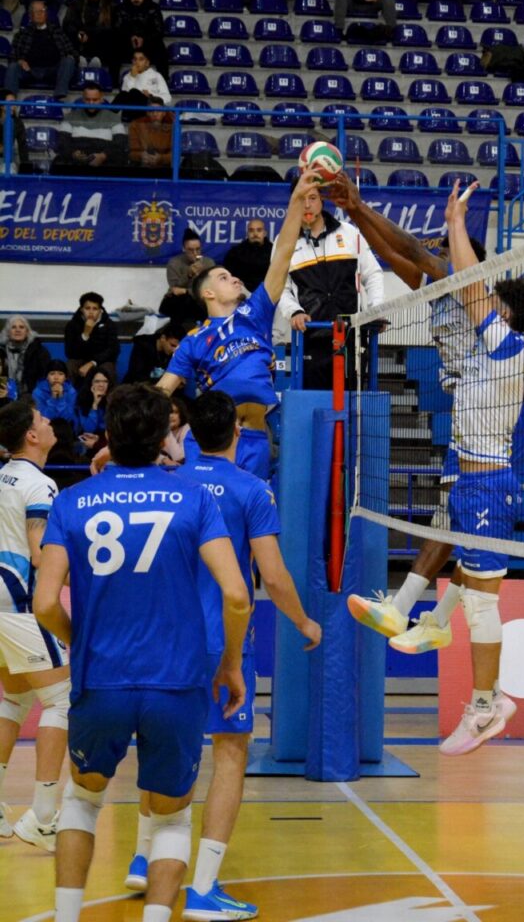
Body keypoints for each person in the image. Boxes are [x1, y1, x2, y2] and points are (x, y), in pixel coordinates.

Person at [32, 384, 251, 922]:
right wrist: (230, 663)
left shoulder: (73, 500)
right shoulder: (194, 499)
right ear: (164, 438)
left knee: (82, 801)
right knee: (173, 818)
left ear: (107, 432)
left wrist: (78, 638)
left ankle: (66, 916)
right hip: (176, 681)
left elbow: (43, 604)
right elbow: (237, 595)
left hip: (99, 677)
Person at [117, 391, 321, 917]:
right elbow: (271, 576)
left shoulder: (166, 482)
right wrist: (302, 621)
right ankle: (203, 887)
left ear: (186, 432)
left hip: (160, 637)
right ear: (237, 431)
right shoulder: (252, 489)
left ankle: (143, 859)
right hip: (219, 642)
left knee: (158, 741)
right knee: (230, 752)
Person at [385, 182, 524, 755]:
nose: (485, 303)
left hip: (488, 483)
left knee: (483, 602)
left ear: (506, 314)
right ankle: (478, 685)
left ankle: (487, 704)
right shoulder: (486, 349)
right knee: (477, 596)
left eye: (493, 302)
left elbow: (469, 283)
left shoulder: (505, 347)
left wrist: (456, 223)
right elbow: (456, 285)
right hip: (478, 480)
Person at [326, 172, 494, 659]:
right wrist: (357, 216)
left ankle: (404, 609)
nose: (436, 251)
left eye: (445, 247)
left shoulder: (468, 284)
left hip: (495, 420)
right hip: (473, 413)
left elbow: (418, 254)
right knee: (465, 528)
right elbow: (396, 256)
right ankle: (434, 620)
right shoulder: (437, 288)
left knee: (455, 520)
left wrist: (358, 208)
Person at [133, 170, 327, 481]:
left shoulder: (256, 312)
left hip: (254, 439)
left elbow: (283, 256)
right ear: (207, 293)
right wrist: (127, 444)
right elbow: (162, 392)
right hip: (210, 441)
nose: (235, 278)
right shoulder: (194, 340)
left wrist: (295, 202)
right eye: (224, 277)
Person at [0, 400, 69, 852]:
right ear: (31, 435)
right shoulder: (39, 485)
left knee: (17, 696)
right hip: (17, 599)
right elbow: (41, 552)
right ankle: (42, 819)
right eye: (42, 419)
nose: (48, 422)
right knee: (63, 697)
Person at [276, 175, 385, 389]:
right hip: (311, 339)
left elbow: (373, 274)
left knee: (351, 408)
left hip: (351, 338)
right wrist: (294, 312)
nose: (307, 205)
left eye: (313, 198)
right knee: (313, 406)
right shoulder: (283, 242)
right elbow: (280, 288)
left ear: (322, 200)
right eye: (301, 199)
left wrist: (375, 309)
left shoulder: (349, 233)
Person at [4, 0, 77, 103]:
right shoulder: (22, 33)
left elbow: (72, 52)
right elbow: (12, 56)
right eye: (36, 11)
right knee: (13, 66)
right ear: (30, 15)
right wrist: (20, 61)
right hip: (29, 70)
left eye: (42, 11)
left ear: (46, 13)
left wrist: (70, 57)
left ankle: (59, 97)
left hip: (53, 70)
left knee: (69, 61)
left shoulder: (57, 31)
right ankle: (9, 100)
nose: (39, 14)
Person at [53, 83, 127, 174]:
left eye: (95, 100)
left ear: (101, 99)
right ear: (83, 99)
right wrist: (73, 153)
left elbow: (120, 144)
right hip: (75, 164)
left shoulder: (114, 118)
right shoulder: (70, 117)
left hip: (105, 164)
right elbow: (62, 142)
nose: (91, 103)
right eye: (88, 99)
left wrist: (104, 156)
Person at [110, 0, 168, 90]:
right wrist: (130, 37)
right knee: (114, 47)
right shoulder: (121, 8)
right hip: (127, 44)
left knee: (161, 51)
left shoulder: (154, 8)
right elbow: (116, 29)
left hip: (148, 44)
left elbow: (159, 30)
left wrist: (144, 39)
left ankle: (164, 84)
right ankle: (113, 83)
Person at [159, 229, 216, 328]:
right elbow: (175, 289)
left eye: (198, 249)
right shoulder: (174, 263)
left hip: (199, 301)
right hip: (177, 302)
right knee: (182, 302)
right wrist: (188, 275)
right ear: (184, 249)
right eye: (190, 250)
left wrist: (186, 291)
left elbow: (211, 289)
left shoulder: (208, 263)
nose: (195, 253)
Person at [63, 292, 120, 386]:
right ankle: (67, 398)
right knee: (69, 366)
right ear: (81, 309)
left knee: (108, 368)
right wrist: (85, 334)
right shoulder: (72, 325)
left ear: (100, 310)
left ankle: (111, 399)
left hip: (100, 361)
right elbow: (70, 353)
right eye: (87, 308)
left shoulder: (109, 325)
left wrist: (92, 363)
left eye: (95, 309)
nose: (91, 312)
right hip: (80, 360)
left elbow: (113, 350)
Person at [62, 0, 112, 70]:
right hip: (80, 40)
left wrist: (88, 33)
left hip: (98, 41)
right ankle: (80, 60)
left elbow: (108, 28)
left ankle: (97, 61)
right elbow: (68, 24)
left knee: (107, 36)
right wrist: (79, 32)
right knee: (70, 35)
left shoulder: (107, 7)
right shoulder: (77, 3)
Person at [0, 315, 51, 397]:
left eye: (21, 327)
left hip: (30, 396)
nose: (17, 330)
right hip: (4, 396)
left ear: (27, 331)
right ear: (8, 332)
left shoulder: (39, 351)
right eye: (13, 327)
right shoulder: (1, 352)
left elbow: (45, 378)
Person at [222, 218, 273, 294]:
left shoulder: (274, 251)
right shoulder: (236, 252)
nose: (255, 234)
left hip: (269, 291)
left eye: (259, 230)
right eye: (251, 230)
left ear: (265, 233)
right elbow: (227, 274)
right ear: (247, 233)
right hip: (241, 291)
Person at [73, 367, 112, 458]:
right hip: (89, 437)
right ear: (90, 383)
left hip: (106, 440)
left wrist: (99, 439)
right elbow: (88, 429)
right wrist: (95, 404)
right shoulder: (82, 400)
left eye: (105, 381)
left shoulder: (114, 400)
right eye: (97, 381)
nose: (101, 385)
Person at [128, 97, 174, 173]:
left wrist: (161, 158)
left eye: (158, 111)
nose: (155, 114)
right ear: (147, 113)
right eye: (151, 111)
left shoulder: (173, 126)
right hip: (140, 169)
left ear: (164, 113)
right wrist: (141, 156)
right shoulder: (135, 125)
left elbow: (175, 155)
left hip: (165, 170)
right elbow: (131, 153)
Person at [32, 361, 78, 425]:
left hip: (66, 427)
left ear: (65, 377)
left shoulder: (71, 391)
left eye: (60, 374)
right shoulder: (38, 392)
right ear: (47, 377)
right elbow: (43, 418)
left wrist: (61, 398)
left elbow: (68, 418)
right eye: (52, 373)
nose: (56, 377)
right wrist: (53, 399)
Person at [160, 397, 190, 465]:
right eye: (168, 413)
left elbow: (179, 457)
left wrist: (166, 429)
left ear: (181, 414)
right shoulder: (158, 428)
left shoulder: (187, 429)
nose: (171, 416)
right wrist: (163, 459)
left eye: (175, 412)